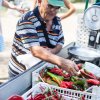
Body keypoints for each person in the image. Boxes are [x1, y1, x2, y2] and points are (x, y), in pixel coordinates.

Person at [8, 0, 79, 78]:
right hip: (20, 73)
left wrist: (53, 51)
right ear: (39, 2)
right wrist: (61, 62)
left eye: (57, 7)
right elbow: (36, 51)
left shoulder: (57, 21)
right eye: (50, 6)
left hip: (39, 71)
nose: (53, 10)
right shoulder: (27, 19)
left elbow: (60, 42)